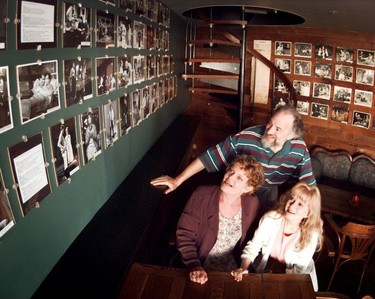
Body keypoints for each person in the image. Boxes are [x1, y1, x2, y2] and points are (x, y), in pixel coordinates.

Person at [151, 105, 316, 211]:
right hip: (238, 188)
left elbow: (309, 188)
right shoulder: (246, 137)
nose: (270, 131)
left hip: (269, 190)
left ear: (291, 136)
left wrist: (312, 219)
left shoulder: (299, 149)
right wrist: (177, 180)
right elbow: (210, 156)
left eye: (278, 129)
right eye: (270, 123)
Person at [176, 155, 264, 285]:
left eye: (239, 178)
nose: (230, 177)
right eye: (231, 171)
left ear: (248, 188)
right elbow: (184, 234)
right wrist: (194, 265)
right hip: (199, 266)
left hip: (233, 269)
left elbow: (255, 237)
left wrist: (244, 267)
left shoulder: (252, 203)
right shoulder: (202, 195)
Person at [230, 182, 323, 292]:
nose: (292, 205)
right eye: (292, 199)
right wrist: (243, 268)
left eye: (300, 204)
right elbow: (254, 246)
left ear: (308, 213)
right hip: (267, 271)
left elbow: (298, 271)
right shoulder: (270, 218)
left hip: (297, 280)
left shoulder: (311, 234)